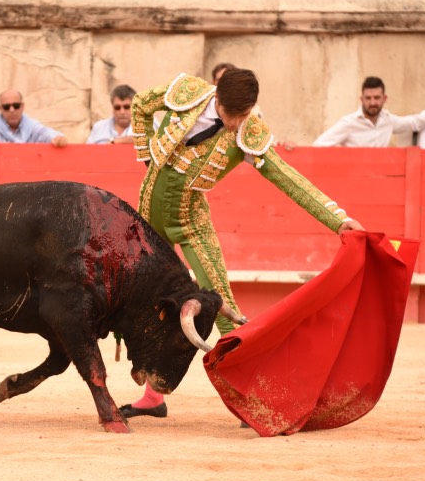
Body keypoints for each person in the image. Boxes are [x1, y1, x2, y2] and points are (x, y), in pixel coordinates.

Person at [119, 68, 365, 419]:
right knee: (152, 306)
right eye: (231, 115)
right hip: (148, 215)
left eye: (244, 115)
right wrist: (145, 153)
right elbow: (142, 103)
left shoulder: (249, 132)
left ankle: (251, 398)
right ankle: (153, 396)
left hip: (191, 222)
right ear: (215, 98)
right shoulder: (188, 92)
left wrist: (337, 218)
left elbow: (288, 178)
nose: (236, 123)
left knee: (222, 306)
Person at [313, 76, 425, 147]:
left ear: (384, 99)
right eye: (368, 98)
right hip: (356, 179)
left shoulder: (388, 120)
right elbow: (320, 145)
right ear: (361, 99)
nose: (372, 103)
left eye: (377, 98)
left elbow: (416, 122)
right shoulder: (349, 123)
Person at [0, 89, 68, 148]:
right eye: (6, 107)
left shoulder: (31, 126)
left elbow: (47, 133)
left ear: (22, 106)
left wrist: (58, 138)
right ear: (0, 109)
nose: (12, 110)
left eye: (16, 105)